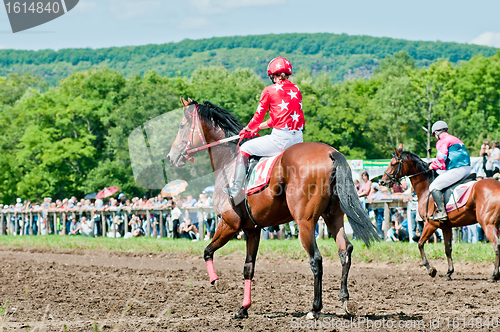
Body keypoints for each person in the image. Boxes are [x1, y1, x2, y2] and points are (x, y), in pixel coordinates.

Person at [224, 56, 304, 197]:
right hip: (298, 140)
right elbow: (276, 119)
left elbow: (258, 116)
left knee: (244, 148)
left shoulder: (269, 90)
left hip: (280, 140)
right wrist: (258, 128)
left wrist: (247, 129)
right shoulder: (296, 89)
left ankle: (236, 189)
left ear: (273, 75)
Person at [428, 121, 471, 222]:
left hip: (457, 170)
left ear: (438, 132)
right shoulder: (455, 139)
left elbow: (441, 158)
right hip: (467, 169)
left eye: (434, 134)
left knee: (433, 186)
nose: (435, 137)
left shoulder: (442, 141)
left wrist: (432, 166)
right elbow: (446, 162)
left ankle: (441, 212)